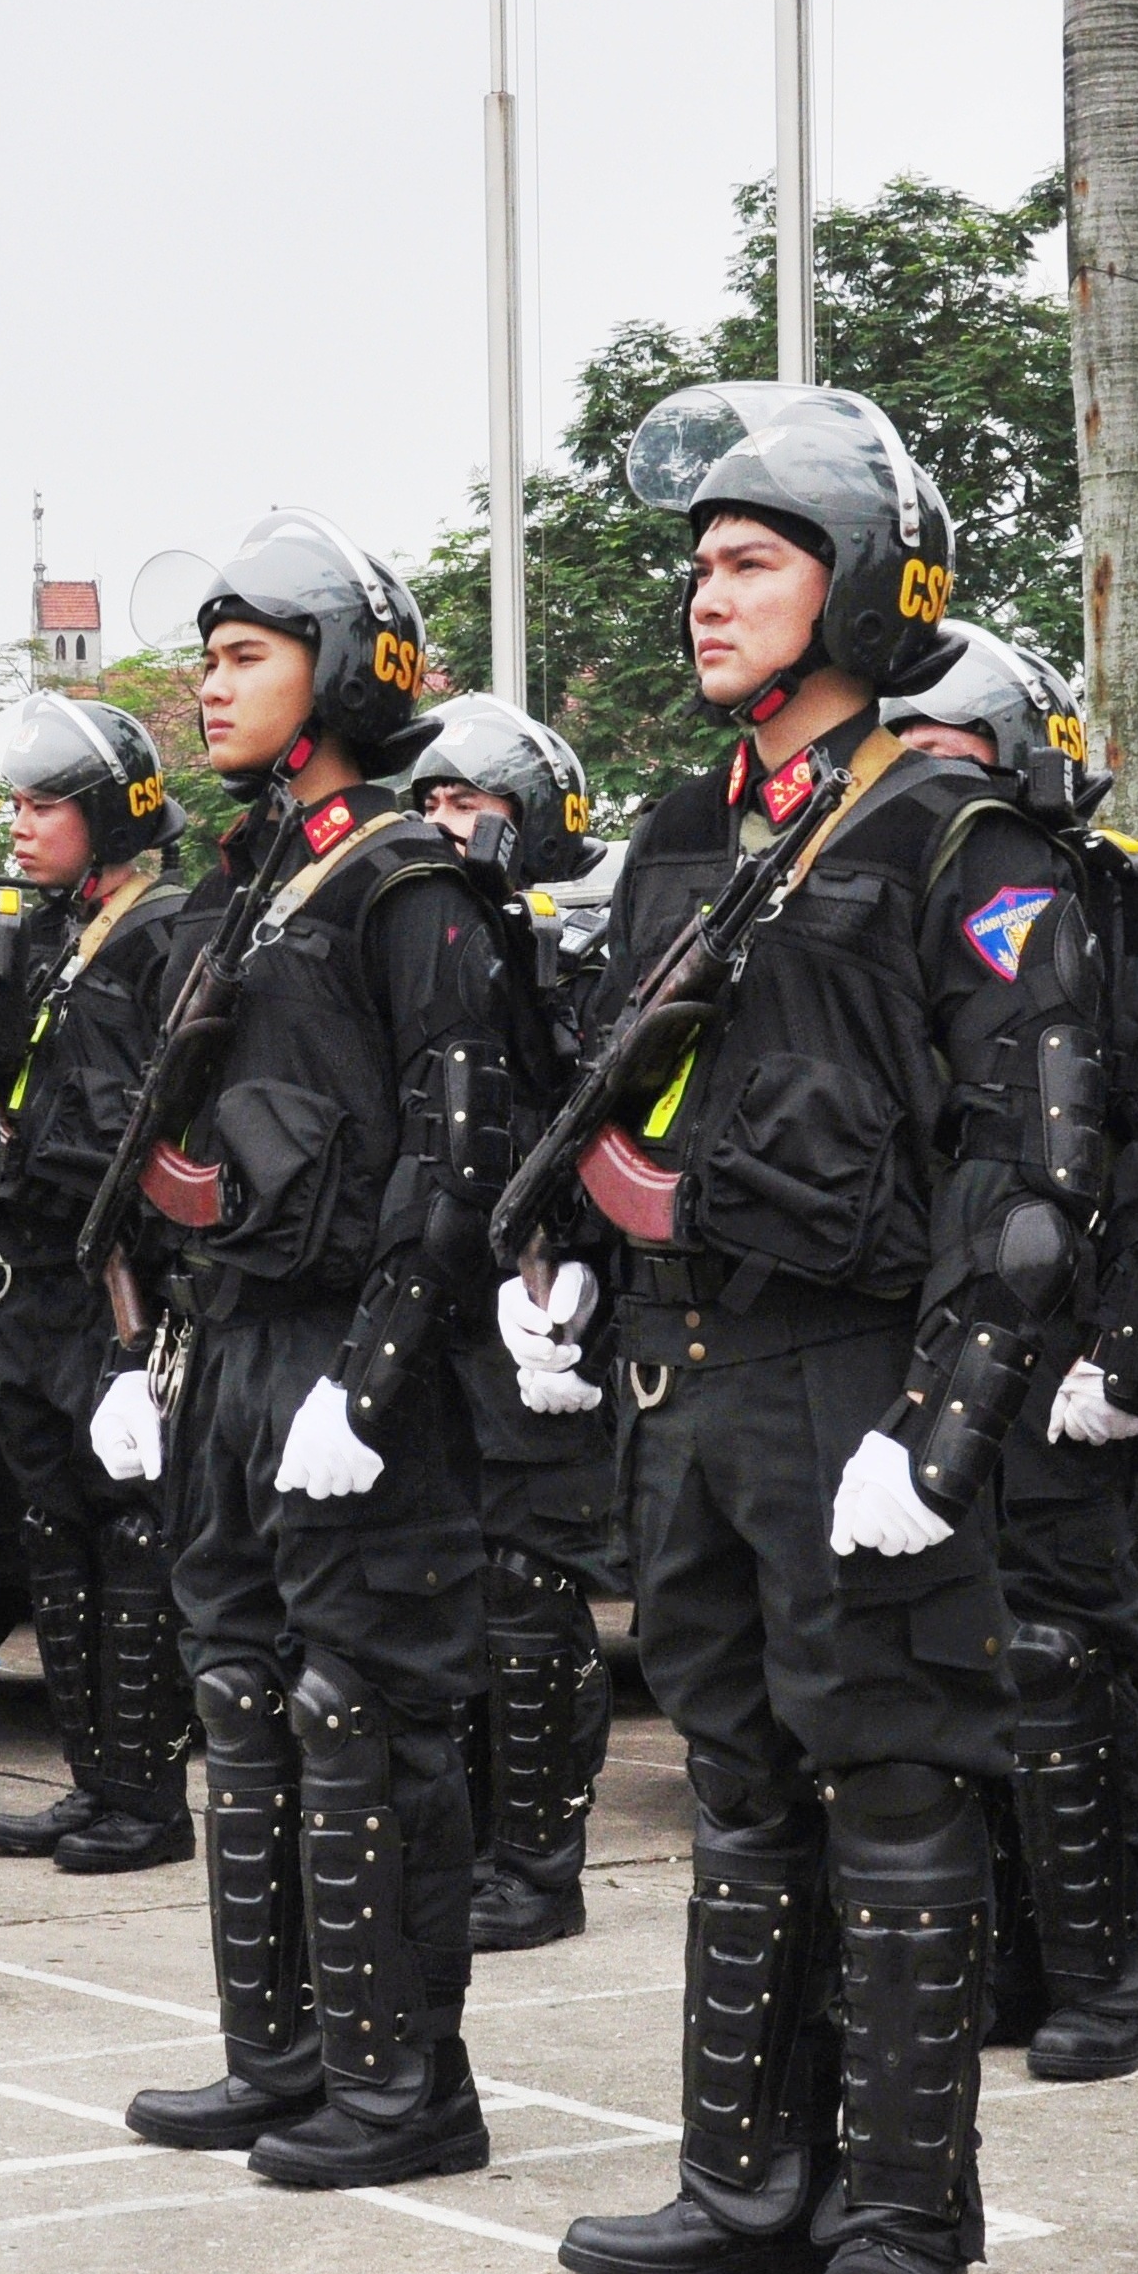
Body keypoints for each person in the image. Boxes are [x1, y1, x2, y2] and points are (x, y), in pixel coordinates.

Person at [536, 383, 1108, 2274]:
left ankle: (904, 2207)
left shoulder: (959, 828)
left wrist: (943, 1423)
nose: (707, 592)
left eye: (752, 559)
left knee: (891, 1781)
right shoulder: (688, 834)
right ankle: (745, 2171)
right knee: (739, 1781)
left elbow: (1032, 1166)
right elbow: (630, 1103)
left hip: (863, 1375)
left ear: (864, 585)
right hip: (696, 1380)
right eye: (699, 559)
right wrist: (570, 1282)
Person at [73, 516, 508, 2188]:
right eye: (210, 654)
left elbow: (457, 1148)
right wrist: (140, 1346)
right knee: (243, 1699)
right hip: (237, 1345)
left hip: (350, 1359)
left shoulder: (413, 884)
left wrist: (377, 1364)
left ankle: (405, 2088)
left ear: (339, 669)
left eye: (245, 653)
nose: (210, 685)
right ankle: (280, 2057)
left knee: (362, 1714)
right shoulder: (241, 886)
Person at [884, 621, 1138, 2081]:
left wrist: (1130, 1353)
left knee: (1058, 1657)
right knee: (943, 1662)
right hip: (916, 1333)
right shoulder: (868, 888)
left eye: (948, 752)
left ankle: (1107, 1979)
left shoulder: (1100, 892)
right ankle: (1007, 1969)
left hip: (1062, 1331)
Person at [0, 690, 196, 1877]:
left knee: (128, 1536)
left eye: (44, 803)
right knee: (50, 1528)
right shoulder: (51, 934)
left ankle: (147, 1797)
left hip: (118, 1289)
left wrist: (143, 1337)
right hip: (33, 1277)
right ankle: (93, 1777)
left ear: (105, 815)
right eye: (15, 800)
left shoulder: (165, 932)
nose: (19, 822)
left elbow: (158, 1135)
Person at [406, 691, 620, 1954]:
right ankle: (480, 1840)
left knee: (531, 1589)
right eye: (427, 800)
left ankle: (539, 1864)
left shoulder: (577, 935)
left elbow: (623, 1110)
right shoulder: (427, 932)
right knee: (458, 1584)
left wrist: (580, 1265)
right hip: (445, 1285)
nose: (444, 822)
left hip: (548, 1299)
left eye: (468, 802)